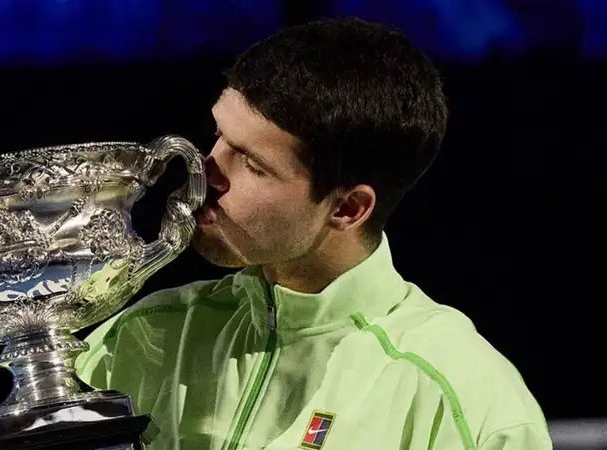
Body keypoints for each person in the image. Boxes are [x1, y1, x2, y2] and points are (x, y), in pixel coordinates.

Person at [75, 17, 551, 450]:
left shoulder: (460, 397)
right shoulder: (142, 338)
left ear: (347, 208)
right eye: (218, 135)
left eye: (253, 164)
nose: (205, 172)